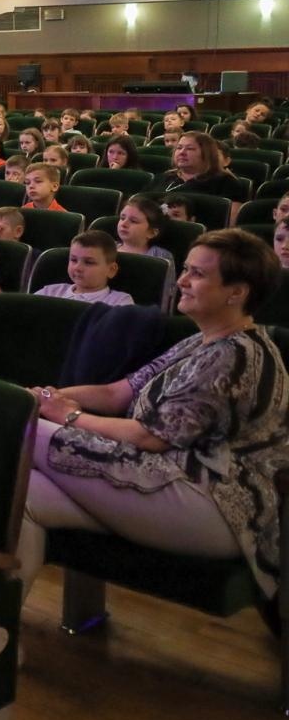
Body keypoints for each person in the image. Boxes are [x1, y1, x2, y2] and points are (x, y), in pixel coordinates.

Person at [17, 230, 288, 610]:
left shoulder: (235, 355)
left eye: (196, 273)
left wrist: (66, 415)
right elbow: (117, 393)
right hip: (164, 478)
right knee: (23, 493)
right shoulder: (201, 341)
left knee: (20, 428)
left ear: (236, 292)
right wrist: (49, 396)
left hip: (216, 504)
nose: (181, 280)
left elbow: (150, 438)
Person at [34, 231, 134, 306]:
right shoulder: (50, 292)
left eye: (89, 262)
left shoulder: (119, 302)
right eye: (73, 260)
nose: (78, 268)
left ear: (111, 270)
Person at [116, 196, 175, 264]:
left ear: (151, 233)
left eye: (133, 221)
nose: (124, 224)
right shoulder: (108, 248)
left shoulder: (161, 256)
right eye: (122, 218)